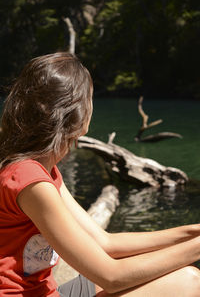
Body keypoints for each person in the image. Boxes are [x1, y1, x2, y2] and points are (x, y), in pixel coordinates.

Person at [0, 52, 200, 297]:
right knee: (188, 281)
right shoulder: (29, 179)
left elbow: (106, 243)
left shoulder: (42, 169)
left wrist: (193, 232)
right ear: (76, 112)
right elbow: (111, 276)